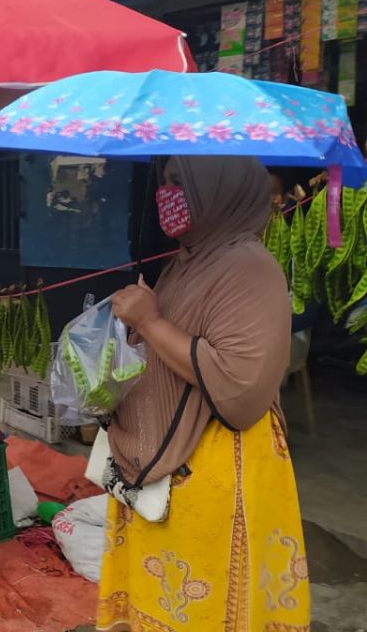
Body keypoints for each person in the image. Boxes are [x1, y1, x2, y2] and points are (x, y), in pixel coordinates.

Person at [99, 156, 309, 630]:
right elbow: (170, 343)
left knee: (206, 602)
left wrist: (150, 322)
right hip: (166, 458)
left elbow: (240, 383)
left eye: (180, 182)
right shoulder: (189, 260)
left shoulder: (249, 268)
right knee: (163, 593)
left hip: (215, 461)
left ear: (220, 190)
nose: (165, 194)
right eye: (165, 181)